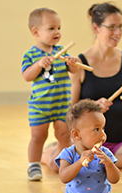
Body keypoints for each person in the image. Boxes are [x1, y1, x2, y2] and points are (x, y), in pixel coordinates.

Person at [41, 2, 122, 170]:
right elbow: (71, 114)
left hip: (121, 144)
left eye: (120, 27)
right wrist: (92, 108)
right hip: (86, 146)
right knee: (56, 166)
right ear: (96, 28)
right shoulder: (80, 64)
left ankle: (100, 161)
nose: (118, 33)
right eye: (112, 27)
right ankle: (49, 154)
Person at [21, 8, 79, 181]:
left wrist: (73, 63)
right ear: (36, 32)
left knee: (63, 136)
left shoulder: (61, 51)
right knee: (38, 136)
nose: (57, 32)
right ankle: (33, 165)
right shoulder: (31, 55)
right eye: (52, 28)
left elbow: (74, 71)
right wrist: (39, 64)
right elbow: (26, 76)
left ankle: (66, 165)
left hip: (61, 104)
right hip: (40, 107)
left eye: (59, 28)